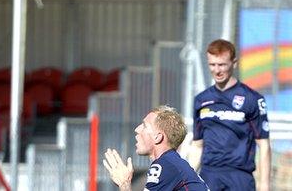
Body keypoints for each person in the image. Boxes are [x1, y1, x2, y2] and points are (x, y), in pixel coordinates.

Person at [188, 39, 271, 191]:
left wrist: (264, 186)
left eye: (222, 65)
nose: (217, 70)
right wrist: (186, 179)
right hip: (209, 175)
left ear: (234, 63)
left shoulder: (253, 99)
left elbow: (263, 145)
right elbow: (197, 146)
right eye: (212, 65)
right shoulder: (201, 100)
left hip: (239, 177)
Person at [103, 105, 209, 191]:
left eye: (144, 126)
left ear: (158, 137)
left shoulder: (164, 165)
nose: (137, 129)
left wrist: (124, 184)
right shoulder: (172, 163)